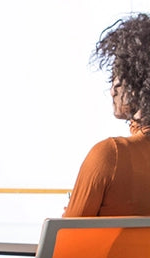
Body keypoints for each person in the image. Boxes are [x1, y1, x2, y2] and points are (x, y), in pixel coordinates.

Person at [63, 13, 150, 217]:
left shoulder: (110, 156)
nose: (112, 90)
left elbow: (64, 240)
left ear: (134, 84)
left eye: (115, 78)